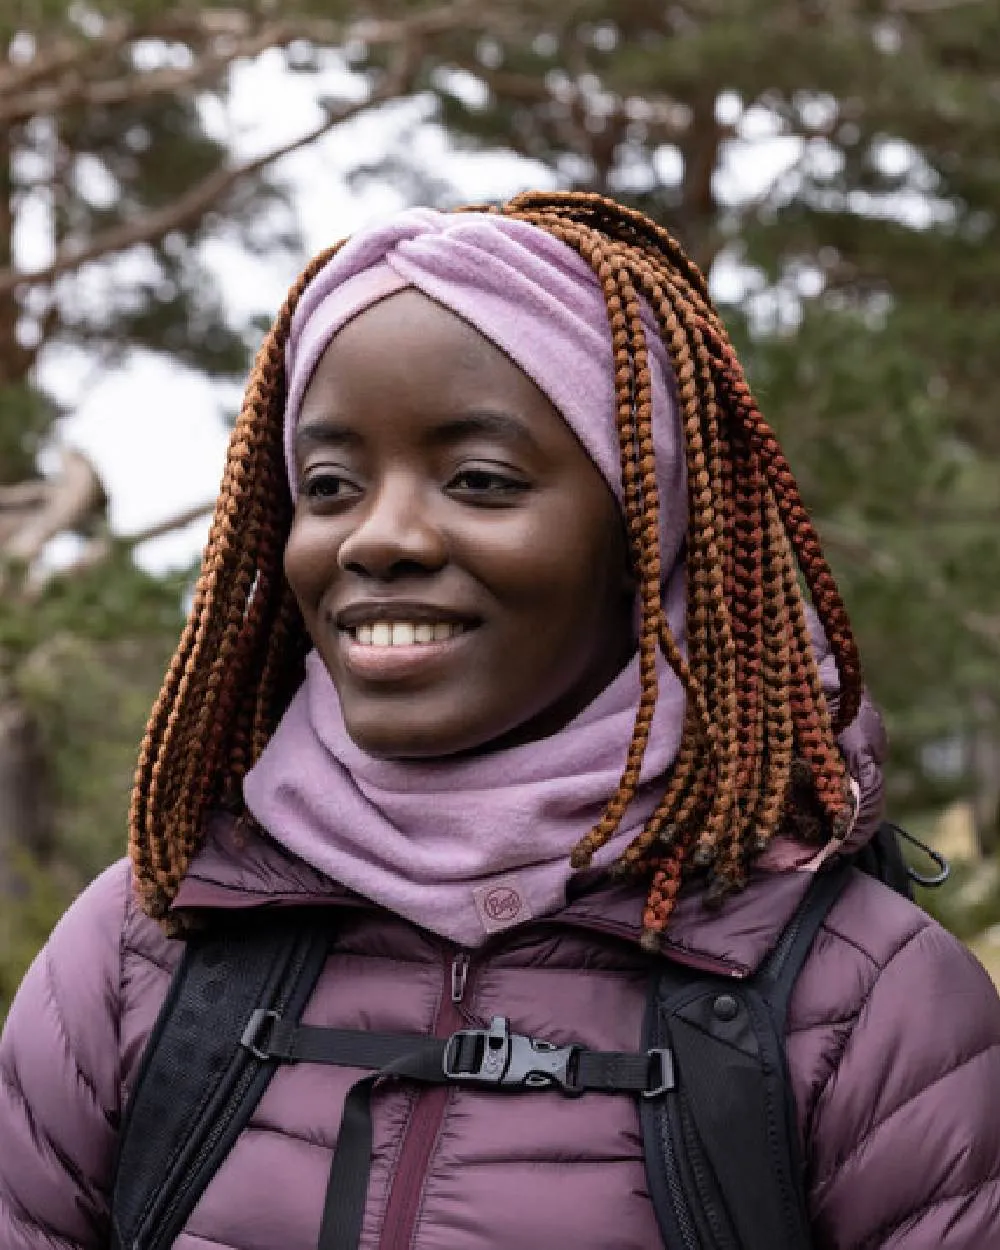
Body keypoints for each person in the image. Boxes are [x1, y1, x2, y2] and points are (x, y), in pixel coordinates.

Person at [1, 191, 998, 1250]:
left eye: (480, 479)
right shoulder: (138, 952)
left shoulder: (861, 1003)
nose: (375, 538)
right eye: (329, 483)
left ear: (642, 534)